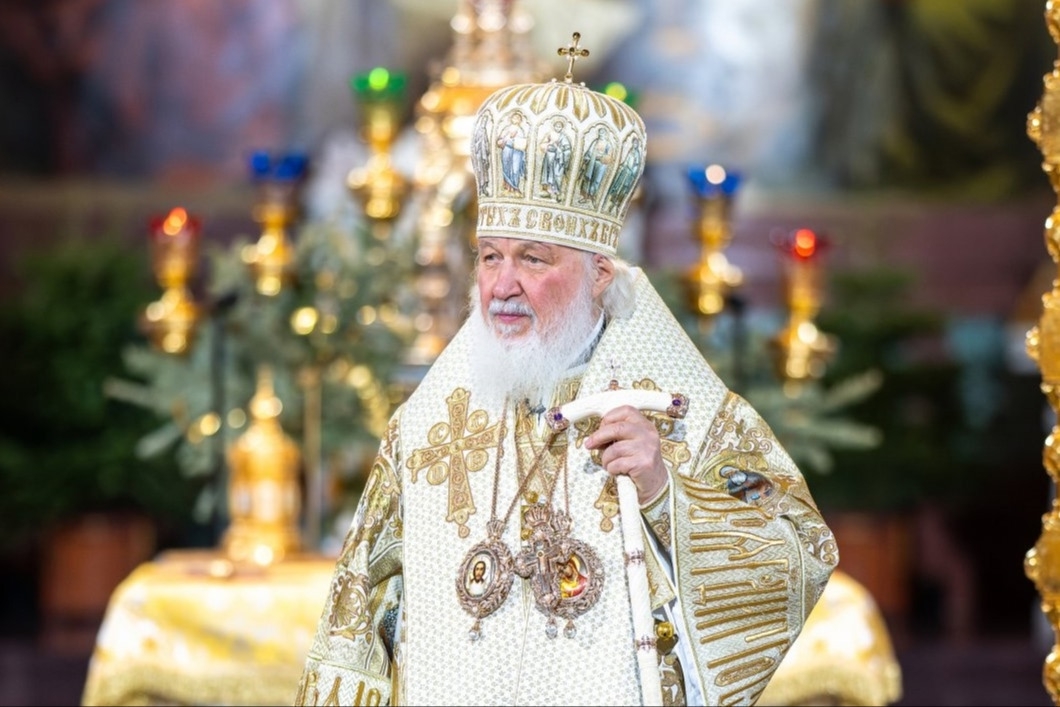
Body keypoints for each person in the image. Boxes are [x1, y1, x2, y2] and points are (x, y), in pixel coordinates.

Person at [295, 34, 836, 707]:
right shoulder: (425, 426)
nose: (502, 286)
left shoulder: (682, 413)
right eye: (490, 257)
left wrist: (666, 492)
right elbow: (352, 629)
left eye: (533, 258)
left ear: (600, 273)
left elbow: (799, 553)